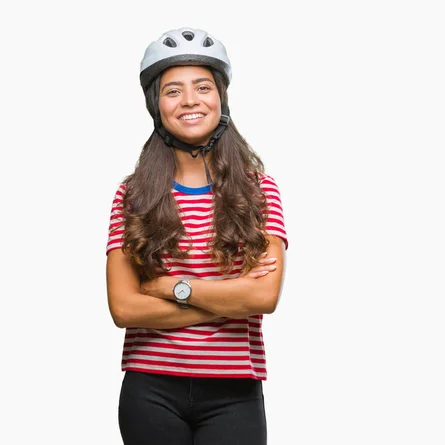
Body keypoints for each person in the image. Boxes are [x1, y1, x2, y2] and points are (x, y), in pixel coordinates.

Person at [105, 27, 288, 445]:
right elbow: (124, 308)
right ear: (156, 105)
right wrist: (230, 299)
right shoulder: (131, 195)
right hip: (150, 387)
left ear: (220, 98)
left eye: (202, 87)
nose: (189, 100)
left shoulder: (259, 190)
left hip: (234, 391)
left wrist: (172, 287)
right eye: (173, 91)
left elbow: (263, 298)